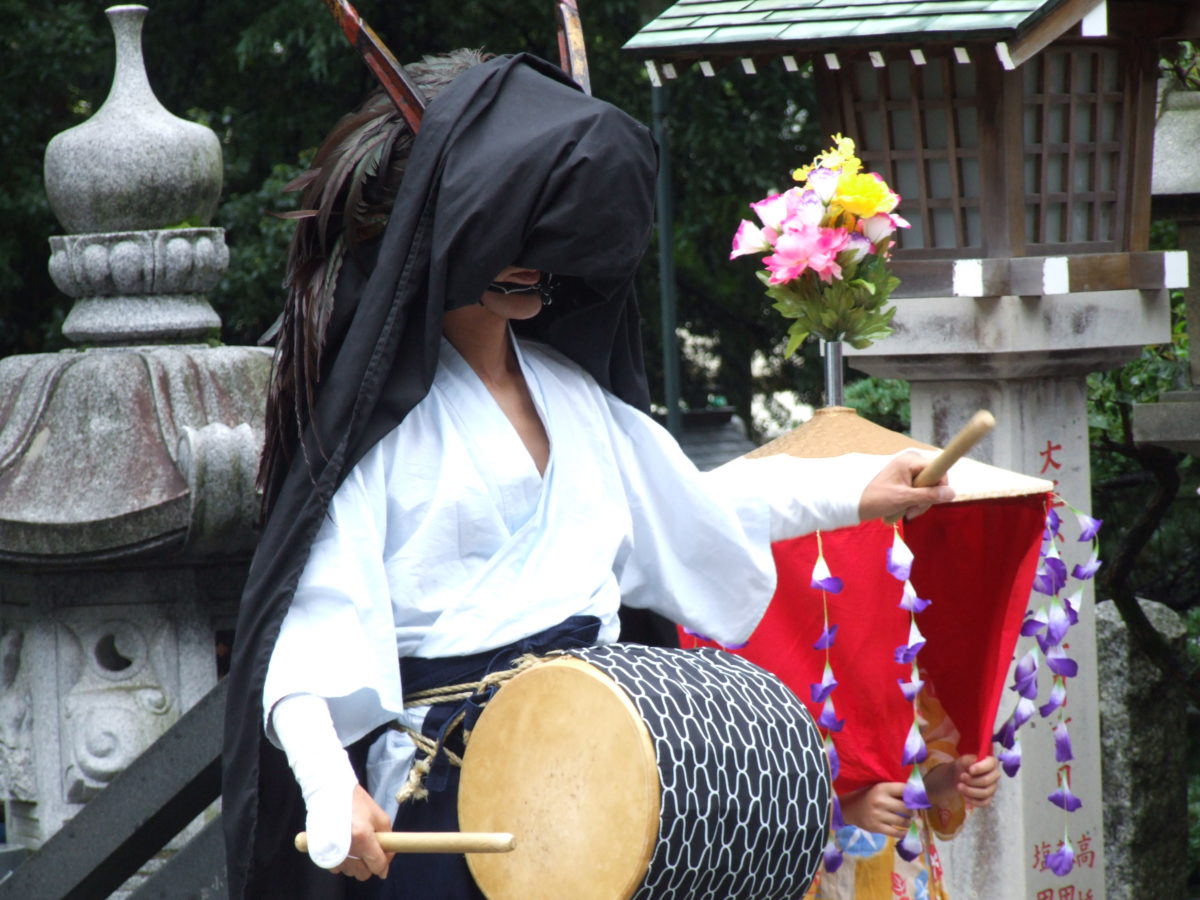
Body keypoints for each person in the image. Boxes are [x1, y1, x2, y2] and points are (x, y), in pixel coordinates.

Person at [222, 50, 955, 900]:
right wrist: (327, 782)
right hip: (453, 785)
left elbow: (688, 506)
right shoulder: (376, 431)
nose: (539, 260)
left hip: (602, 771)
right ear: (448, 230)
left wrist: (859, 488)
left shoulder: (573, 397)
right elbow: (308, 637)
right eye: (519, 235)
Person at [806, 680, 1001, 900]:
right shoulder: (770, 664)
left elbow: (922, 776)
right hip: (799, 860)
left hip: (896, 869)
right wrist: (845, 810)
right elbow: (764, 791)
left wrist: (955, 776)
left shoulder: (905, 663)